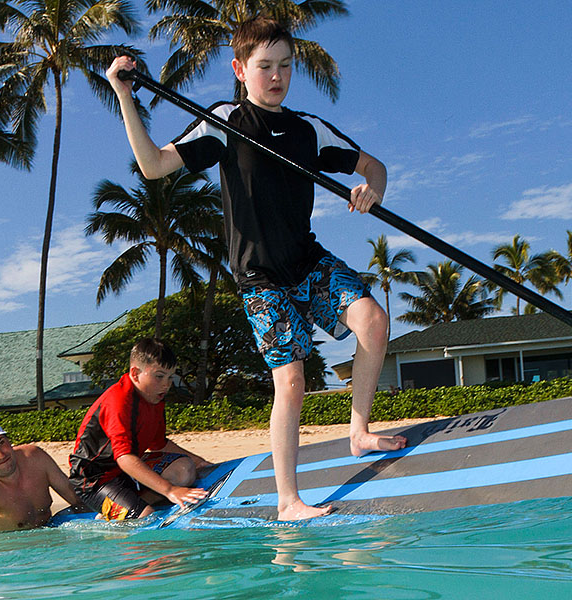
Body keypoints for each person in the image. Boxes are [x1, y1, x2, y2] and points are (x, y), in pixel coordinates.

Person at [105, 16, 407, 521]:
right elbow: (154, 165)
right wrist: (124, 95)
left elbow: (371, 166)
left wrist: (372, 189)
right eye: (264, 66)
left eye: (285, 66)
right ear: (240, 70)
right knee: (291, 380)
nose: (276, 76)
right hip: (259, 277)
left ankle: (359, 432)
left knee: (373, 322)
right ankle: (289, 501)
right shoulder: (223, 122)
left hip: (306, 261)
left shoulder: (307, 129)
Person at [68, 338, 212, 521]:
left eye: (170, 377)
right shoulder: (118, 401)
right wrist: (170, 491)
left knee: (184, 469)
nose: (166, 384)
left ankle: (126, 504)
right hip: (93, 481)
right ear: (135, 374)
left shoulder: (155, 399)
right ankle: (112, 511)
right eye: (159, 376)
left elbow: (158, 444)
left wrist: (200, 462)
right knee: (145, 518)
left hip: (124, 471)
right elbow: (125, 459)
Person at [0, 417, 84, 537]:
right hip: (15, 550)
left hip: (50, 535)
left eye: (1, 443)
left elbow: (79, 501)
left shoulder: (35, 458)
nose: (1, 454)